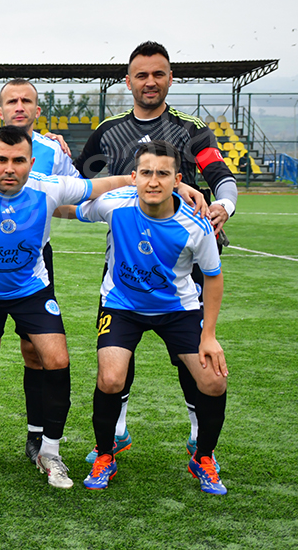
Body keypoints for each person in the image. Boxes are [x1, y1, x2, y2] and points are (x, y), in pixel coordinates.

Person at [0, 125, 137, 489]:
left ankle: (50, 452)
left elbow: (100, 185)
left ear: (31, 162)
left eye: (18, 160)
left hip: (30, 290)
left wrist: (159, 183)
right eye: (1, 160)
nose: (10, 168)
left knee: (57, 360)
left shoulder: (48, 186)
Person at [73, 41, 237, 466]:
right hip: (127, 258)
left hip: (183, 258)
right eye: (142, 75)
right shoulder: (108, 131)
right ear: (128, 81)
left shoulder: (191, 128)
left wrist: (223, 205)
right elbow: (78, 179)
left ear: (170, 79)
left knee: (190, 356)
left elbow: (220, 175)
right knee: (116, 356)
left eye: (158, 74)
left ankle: (200, 437)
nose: (150, 82)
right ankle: (116, 431)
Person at [71, 141, 228, 495]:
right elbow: (70, 207)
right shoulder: (114, 204)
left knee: (213, 382)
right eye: (146, 173)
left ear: (178, 180)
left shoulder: (197, 225)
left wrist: (209, 335)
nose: (153, 181)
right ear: (134, 177)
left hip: (178, 310)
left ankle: (203, 457)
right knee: (111, 378)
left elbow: (213, 277)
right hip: (121, 305)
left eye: (162, 174)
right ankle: (105, 453)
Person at [0, 78, 82, 465]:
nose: (20, 106)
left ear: (38, 110)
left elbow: (76, 191)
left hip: (33, 259)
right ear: (0, 110)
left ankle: (36, 435)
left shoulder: (53, 150)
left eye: (27, 100)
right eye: (12, 101)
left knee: (35, 351)